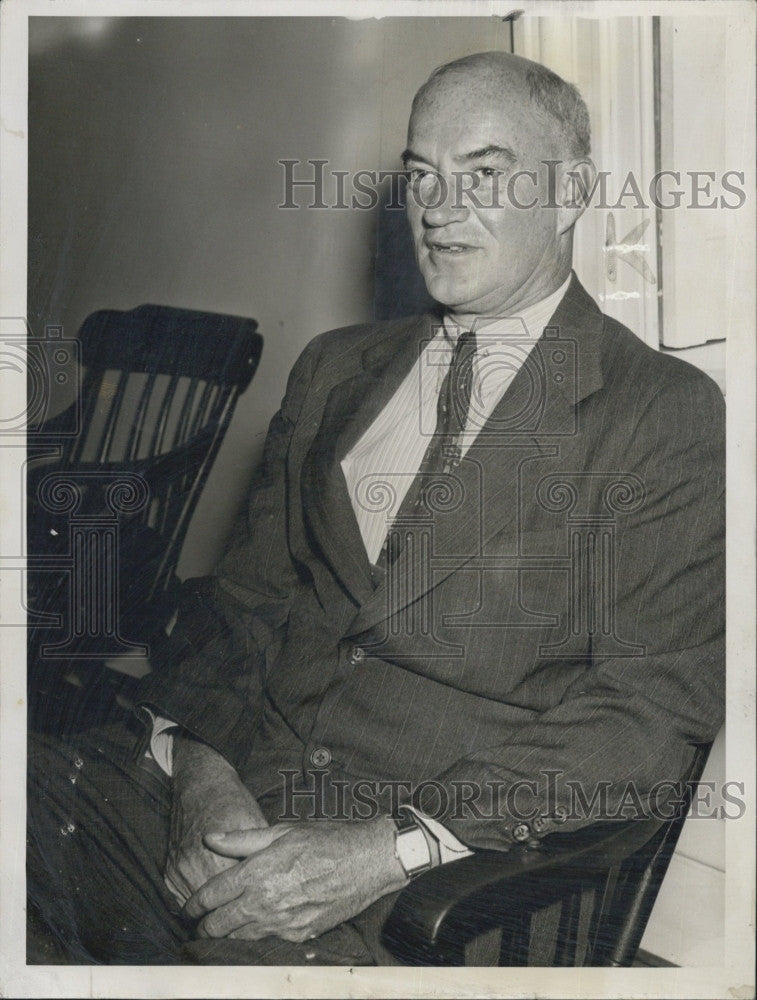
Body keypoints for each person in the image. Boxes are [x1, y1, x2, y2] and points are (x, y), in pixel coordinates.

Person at [27, 50, 724, 966]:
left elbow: (648, 712)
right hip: (218, 812)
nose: (439, 207)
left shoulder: (658, 409)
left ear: (570, 194)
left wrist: (381, 851)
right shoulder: (333, 370)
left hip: (423, 895)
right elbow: (241, 608)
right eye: (421, 175)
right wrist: (203, 777)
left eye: (484, 173)